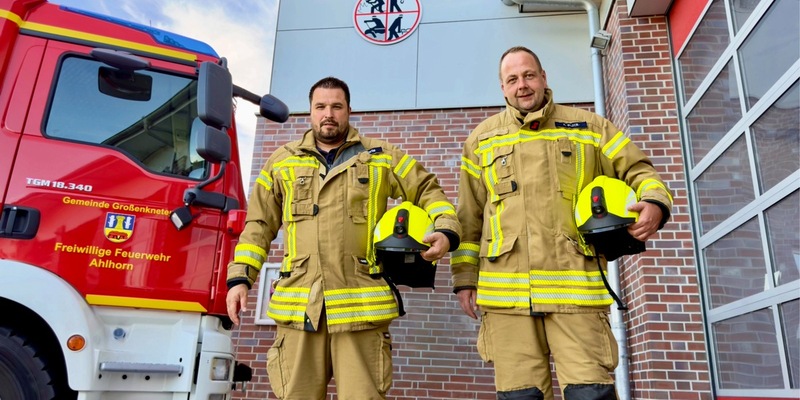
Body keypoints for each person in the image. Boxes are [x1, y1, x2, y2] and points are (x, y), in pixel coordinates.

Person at [451, 46, 672, 400]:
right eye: (512, 79)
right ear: (502, 87)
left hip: (576, 294)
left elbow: (638, 169)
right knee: (520, 397)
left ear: (543, 77)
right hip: (506, 299)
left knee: (591, 394)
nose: (522, 85)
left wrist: (655, 202)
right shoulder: (481, 140)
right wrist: (464, 279)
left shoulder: (590, 128)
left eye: (528, 75)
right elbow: (469, 217)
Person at [226, 76, 461, 399]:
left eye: (336, 106)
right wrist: (240, 279)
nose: (329, 114)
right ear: (310, 111)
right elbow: (258, 226)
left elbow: (426, 188)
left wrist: (446, 229)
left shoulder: (380, 156)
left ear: (349, 110)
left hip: (361, 311)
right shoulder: (282, 162)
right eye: (320, 106)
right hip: (301, 311)